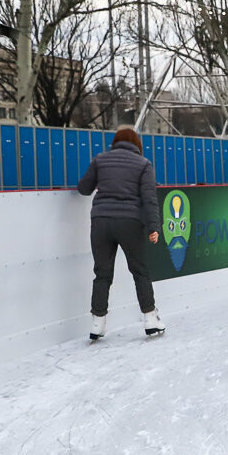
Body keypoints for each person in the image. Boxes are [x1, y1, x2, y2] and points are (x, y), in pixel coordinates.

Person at [76, 125, 164, 340]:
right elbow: (149, 198)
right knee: (140, 271)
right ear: (137, 144)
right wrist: (154, 227)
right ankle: (150, 320)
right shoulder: (144, 164)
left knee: (102, 274)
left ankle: (97, 324)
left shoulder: (100, 159)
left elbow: (84, 188)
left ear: (115, 142)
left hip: (101, 221)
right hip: (130, 223)